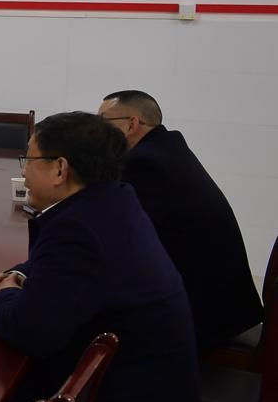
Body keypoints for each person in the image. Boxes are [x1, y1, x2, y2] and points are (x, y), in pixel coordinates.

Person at [0, 112, 199, 402]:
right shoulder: (113, 201)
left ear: (60, 169)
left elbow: (31, 331)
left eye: (29, 160)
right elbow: (64, 272)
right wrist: (18, 277)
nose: (23, 172)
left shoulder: (76, 229)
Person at [98, 90, 263, 349]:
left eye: (103, 122)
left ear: (132, 124)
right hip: (228, 303)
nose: (97, 131)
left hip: (205, 313)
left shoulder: (145, 163)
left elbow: (118, 235)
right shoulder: (165, 148)